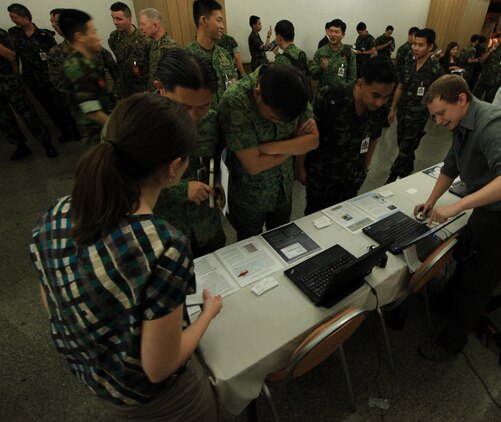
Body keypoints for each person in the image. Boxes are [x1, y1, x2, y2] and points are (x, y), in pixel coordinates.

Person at [29, 93, 223, 420]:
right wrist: (207, 314)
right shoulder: (163, 246)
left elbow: (55, 302)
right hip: (157, 401)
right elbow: (159, 367)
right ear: (174, 168)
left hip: (97, 378)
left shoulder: (57, 212)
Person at [416, 75, 501, 360]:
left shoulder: (490, 125)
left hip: (498, 214)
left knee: (478, 282)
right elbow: (451, 166)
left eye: (441, 114)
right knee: (467, 258)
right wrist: (431, 201)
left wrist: (459, 206)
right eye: (434, 116)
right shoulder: (462, 121)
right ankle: (446, 304)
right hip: (486, 207)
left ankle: (451, 342)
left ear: (461, 99)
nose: (438, 121)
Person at [219, 65, 319, 240]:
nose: (279, 123)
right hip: (249, 196)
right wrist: (295, 143)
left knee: (282, 241)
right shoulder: (236, 101)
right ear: (257, 94)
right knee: (250, 248)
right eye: (273, 118)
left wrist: (270, 148)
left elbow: (313, 141)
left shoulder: (293, 88)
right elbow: (253, 165)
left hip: (283, 188)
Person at [154, 48, 226, 257]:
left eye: (203, 106)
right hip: (164, 235)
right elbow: (121, 184)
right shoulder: (134, 125)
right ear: (160, 89)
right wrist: (181, 190)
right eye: (184, 107)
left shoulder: (212, 121)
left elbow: (221, 162)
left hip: (207, 228)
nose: (193, 117)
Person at [304, 56, 398, 215]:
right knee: (316, 221)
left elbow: (374, 137)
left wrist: (364, 167)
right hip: (321, 177)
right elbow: (307, 133)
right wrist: (300, 168)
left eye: (386, 97)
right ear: (361, 84)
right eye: (376, 95)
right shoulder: (333, 96)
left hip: (351, 179)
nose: (380, 102)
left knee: (345, 219)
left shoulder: (380, 108)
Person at [8, 3, 73, 152]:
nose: (13, 20)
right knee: (48, 108)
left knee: (61, 105)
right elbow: (15, 56)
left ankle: (72, 128)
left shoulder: (44, 35)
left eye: (14, 17)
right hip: (32, 80)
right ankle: (63, 129)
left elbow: (56, 57)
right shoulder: (14, 34)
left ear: (25, 18)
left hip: (50, 78)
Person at [386, 28, 444, 183]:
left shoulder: (435, 69)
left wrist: (437, 115)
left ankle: (391, 178)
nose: (416, 48)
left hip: (418, 117)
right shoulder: (409, 62)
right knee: (403, 146)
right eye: (414, 44)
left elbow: (441, 95)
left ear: (430, 47)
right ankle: (406, 170)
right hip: (403, 113)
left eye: (420, 45)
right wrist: (393, 109)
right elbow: (400, 86)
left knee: (405, 149)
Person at [59, 9, 116, 147]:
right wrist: (117, 129)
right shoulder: (75, 66)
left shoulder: (87, 61)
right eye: (93, 32)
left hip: (105, 129)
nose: (98, 37)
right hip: (98, 135)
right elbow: (92, 111)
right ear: (80, 36)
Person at [0, 27, 54, 160]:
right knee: (4, 120)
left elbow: (12, 56)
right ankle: (20, 145)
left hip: (9, 82)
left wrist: (17, 77)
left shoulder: (1, 34)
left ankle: (46, 143)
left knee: (28, 114)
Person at [47, 7, 118, 98]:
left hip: (105, 100)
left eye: (56, 22)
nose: (54, 25)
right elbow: (60, 84)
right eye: (52, 22)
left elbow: (113, 67)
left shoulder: (92, 46)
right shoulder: (55, 53)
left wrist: (117, 89)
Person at [186, 0, 236, 109]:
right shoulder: (187, 57)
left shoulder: (225, 54)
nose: (222, 26)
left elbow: (233, 88)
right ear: (204, 20)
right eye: (219, 20)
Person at [108, 1, 151, 97]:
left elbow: (152, 66)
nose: (115, 22)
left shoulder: (145, 40)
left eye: (119, 19)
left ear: (130, 20)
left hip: (144, 91)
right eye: (113, 18)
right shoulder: (114, 38)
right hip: (126, 90)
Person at [310, 19, 357, 91]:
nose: (333, 34)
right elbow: (313, 74)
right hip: (324, 95)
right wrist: (320, 68)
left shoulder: (349, 53)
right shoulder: (320, 52)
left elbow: (352, 78)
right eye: (331, 31)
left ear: (343, 34)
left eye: (337, 32)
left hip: (342, 95)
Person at [138, 8, 178, 90]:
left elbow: (172, 78)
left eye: (143, 24)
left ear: (155, 26)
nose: (140, 28)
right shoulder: (153, 43)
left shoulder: (170, 46)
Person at [273, 19, 311, 99]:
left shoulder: (281, 59)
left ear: (279, 37)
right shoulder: (302, 53)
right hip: (304, 99)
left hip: (290, 103)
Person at [473, 34, 501, 103]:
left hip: (495, 83)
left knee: (488, 103)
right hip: (484, 78)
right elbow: (481, 60)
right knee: (474, 99)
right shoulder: (493, 48)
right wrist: (491, 50)